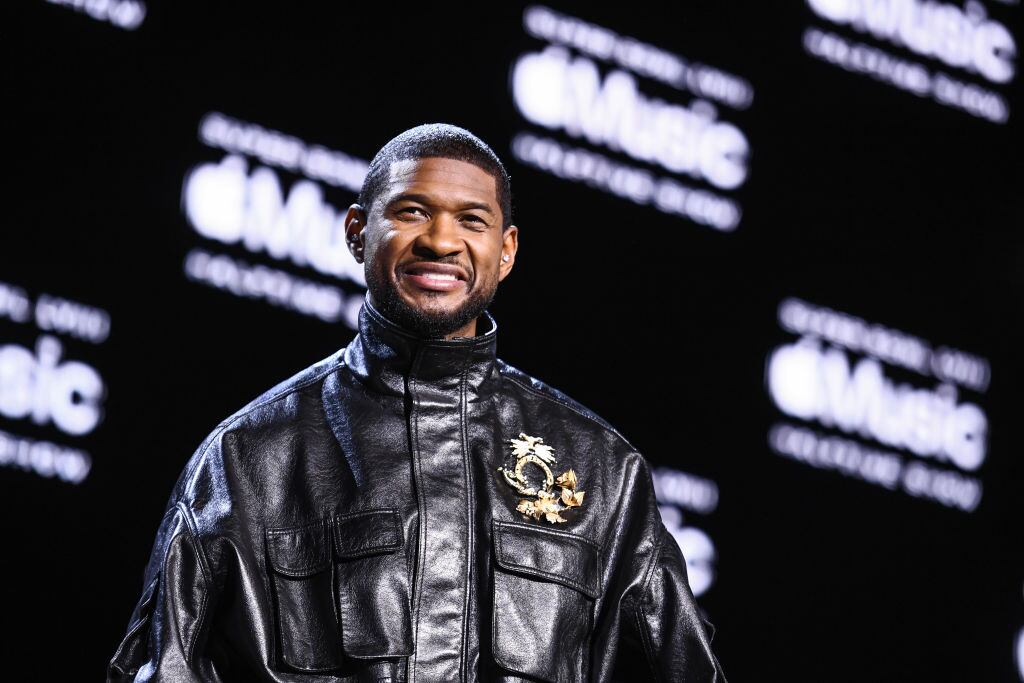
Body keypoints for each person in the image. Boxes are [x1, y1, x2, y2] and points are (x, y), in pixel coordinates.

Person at [107, 123, 727, 682]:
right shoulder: (249, 456)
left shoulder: (603, 469)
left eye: (472, 221)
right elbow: (166, 669)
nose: (441, 241)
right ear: (358, 232)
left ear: (505, 251)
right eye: (412, 211)